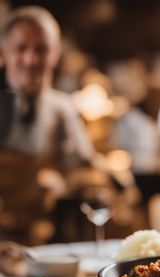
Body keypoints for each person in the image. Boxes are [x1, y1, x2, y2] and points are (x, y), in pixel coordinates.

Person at [0, 6, 94, 243]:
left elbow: (85, 167)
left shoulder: (63, 108)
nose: (31, 60)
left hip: (46, 243)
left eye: (41, 49)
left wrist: (63, 182)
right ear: (4, 52)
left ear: (55, 54)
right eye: (21, 48)